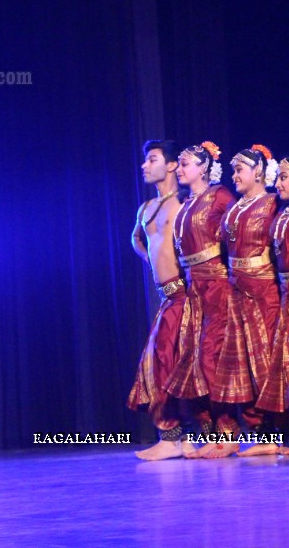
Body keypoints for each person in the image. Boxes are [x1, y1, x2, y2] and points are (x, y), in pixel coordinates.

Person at [127, 139, 200, 460]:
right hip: (165, 296)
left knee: (172, 364)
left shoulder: (182, 205)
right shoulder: (145, 208)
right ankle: (176, 438)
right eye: (145, 160)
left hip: (185, 294)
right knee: (161, 363)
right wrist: (154, 264)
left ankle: (176, 437)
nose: (145, 165)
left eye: (152, 159)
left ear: (171, 165)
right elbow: (136, 239)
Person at [207, 145, 280, 457]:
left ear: (259, 172)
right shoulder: (234, 208)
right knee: (242, 366)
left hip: (264, 291)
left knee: (268, 362)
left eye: (240, 170)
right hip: (236, 291)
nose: (234, 175)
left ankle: (281, 433)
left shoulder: (273, 203)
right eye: (233, 170)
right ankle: (259, 433)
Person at [170, 141, 236, 459]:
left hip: (218, 287)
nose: (180, 169)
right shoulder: (185, 206)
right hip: (193, 288)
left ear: (203, 167)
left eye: (186, 164)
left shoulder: (220, 196)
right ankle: (208, 432)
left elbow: (239, 237)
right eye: (179, 164)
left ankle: (228, 433)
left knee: (213, 357)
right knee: (192, 360)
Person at [249, 154, 289, 456]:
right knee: (287, 367)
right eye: (278, 177)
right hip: (286, 295)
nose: (278, 184)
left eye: (284, 177)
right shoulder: (283, 214)